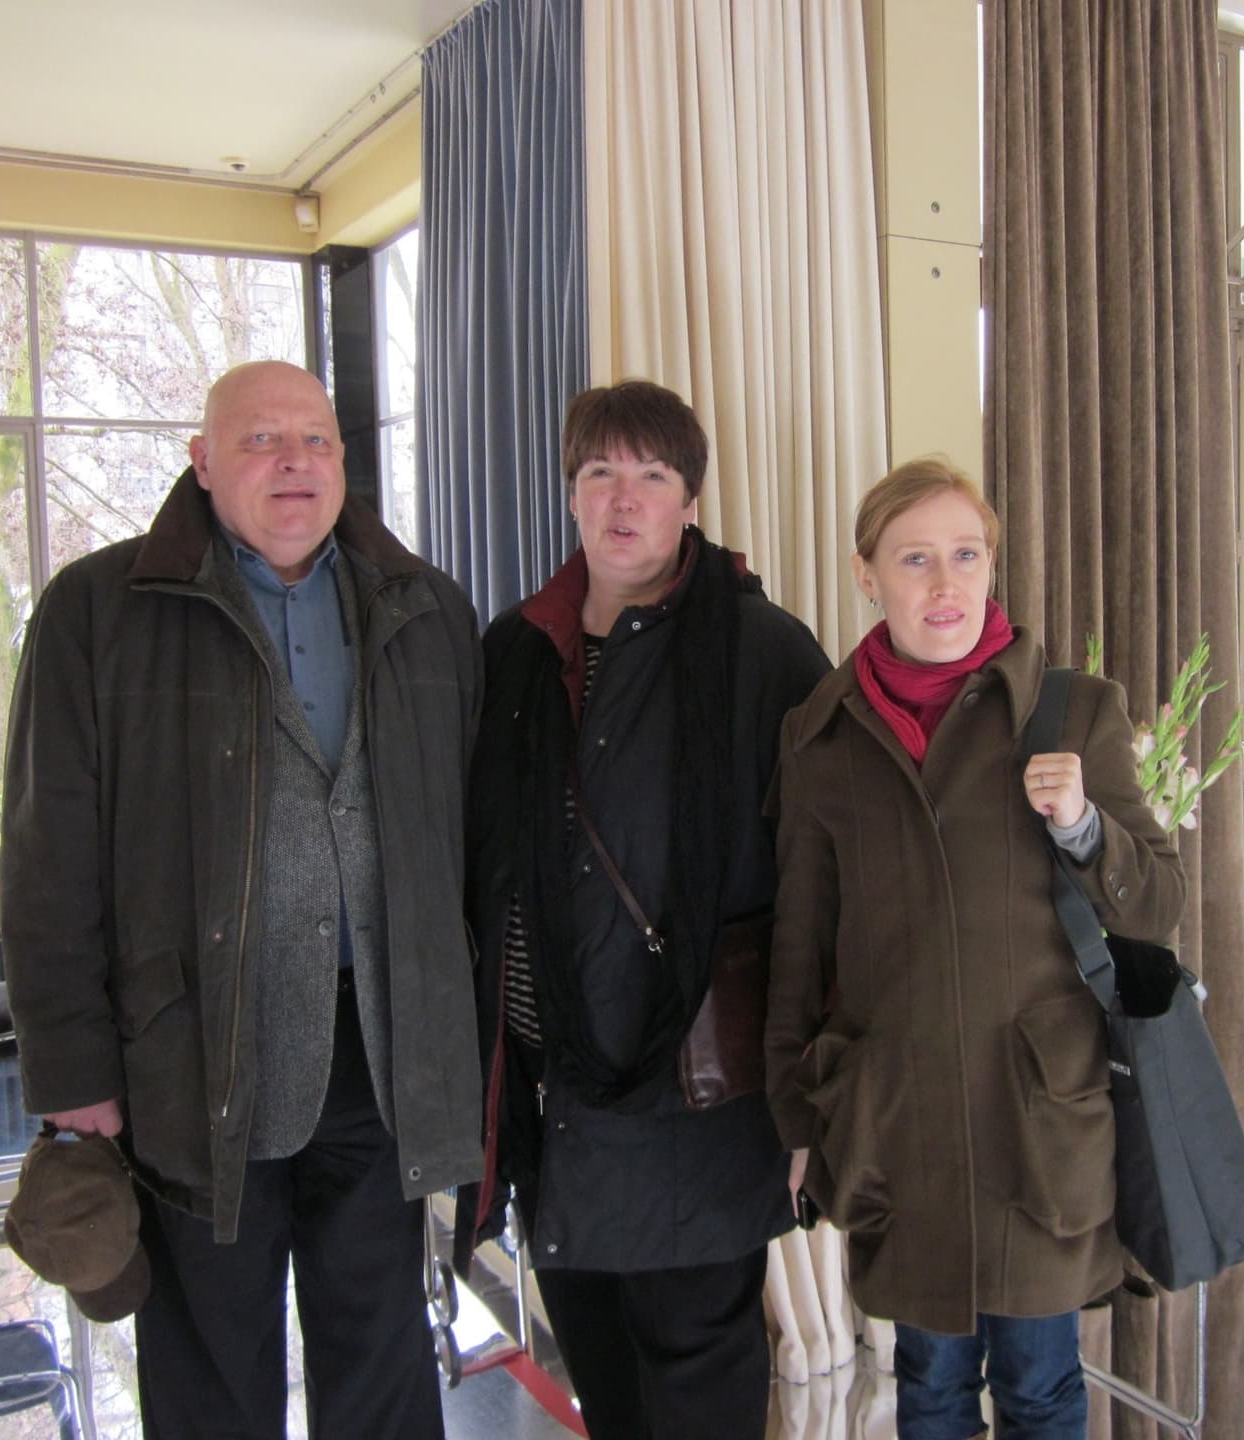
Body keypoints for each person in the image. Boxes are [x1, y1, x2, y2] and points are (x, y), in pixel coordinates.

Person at [0, 360, 484, 1439]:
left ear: (344, 464)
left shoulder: (427, 610)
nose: (293, 463)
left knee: (385, 1357)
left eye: (314, 440)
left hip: (382, 1058)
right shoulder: (97, 611)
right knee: (212, 1369)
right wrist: (73, 1077)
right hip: (191, 1060)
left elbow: (466, 842)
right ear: (203, 463)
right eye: (261, 441)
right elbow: (46, 861)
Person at [764, 457, 1188, 1440]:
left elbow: (1156, 903)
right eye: (916, 559)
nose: (945, 584)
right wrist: (793, 1115)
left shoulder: (1075, 710)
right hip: (897, 1119)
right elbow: (799, 941)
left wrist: (1083, 824)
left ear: (993, 564)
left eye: (966, 554)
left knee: (1040, 1388)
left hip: (1039, 1120)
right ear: (867, 574)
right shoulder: (820, 738)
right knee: (930, 1384)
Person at [460, 379, 830, 1440]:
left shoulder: (764, 652)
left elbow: (823, 878)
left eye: (653, 477)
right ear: (570, 495)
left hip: (701, 1100)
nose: (625, 501)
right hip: (553, 1101)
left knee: (700, 1369)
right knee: (603, 1370)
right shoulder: (515, 653)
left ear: (692, 503)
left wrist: (815, 1093)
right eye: (600, 474)